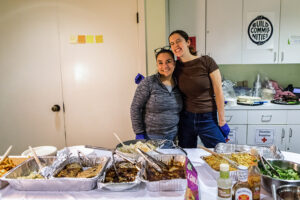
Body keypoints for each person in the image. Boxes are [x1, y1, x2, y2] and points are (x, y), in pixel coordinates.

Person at [168, 30, 230, 148]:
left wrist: (222, 121)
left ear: (187, 42)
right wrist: (147, 81)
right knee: (187, 157)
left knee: (221, 153)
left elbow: (218, 92)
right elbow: (162, 77)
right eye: (172, 43)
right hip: (186, 120)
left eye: (178, 41)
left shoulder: (206, 62)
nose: (175, 45)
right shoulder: (176, 67)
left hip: (207, 118)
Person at [130, 47, 182, 143]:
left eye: (168, 61)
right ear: (157, 65)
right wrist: (139, 132)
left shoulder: (180, 84)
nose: (164, 66)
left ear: (174, 63)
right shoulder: (148, 82)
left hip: (172, 140)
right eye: (160, 63)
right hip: (150, 139)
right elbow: (135, 107)